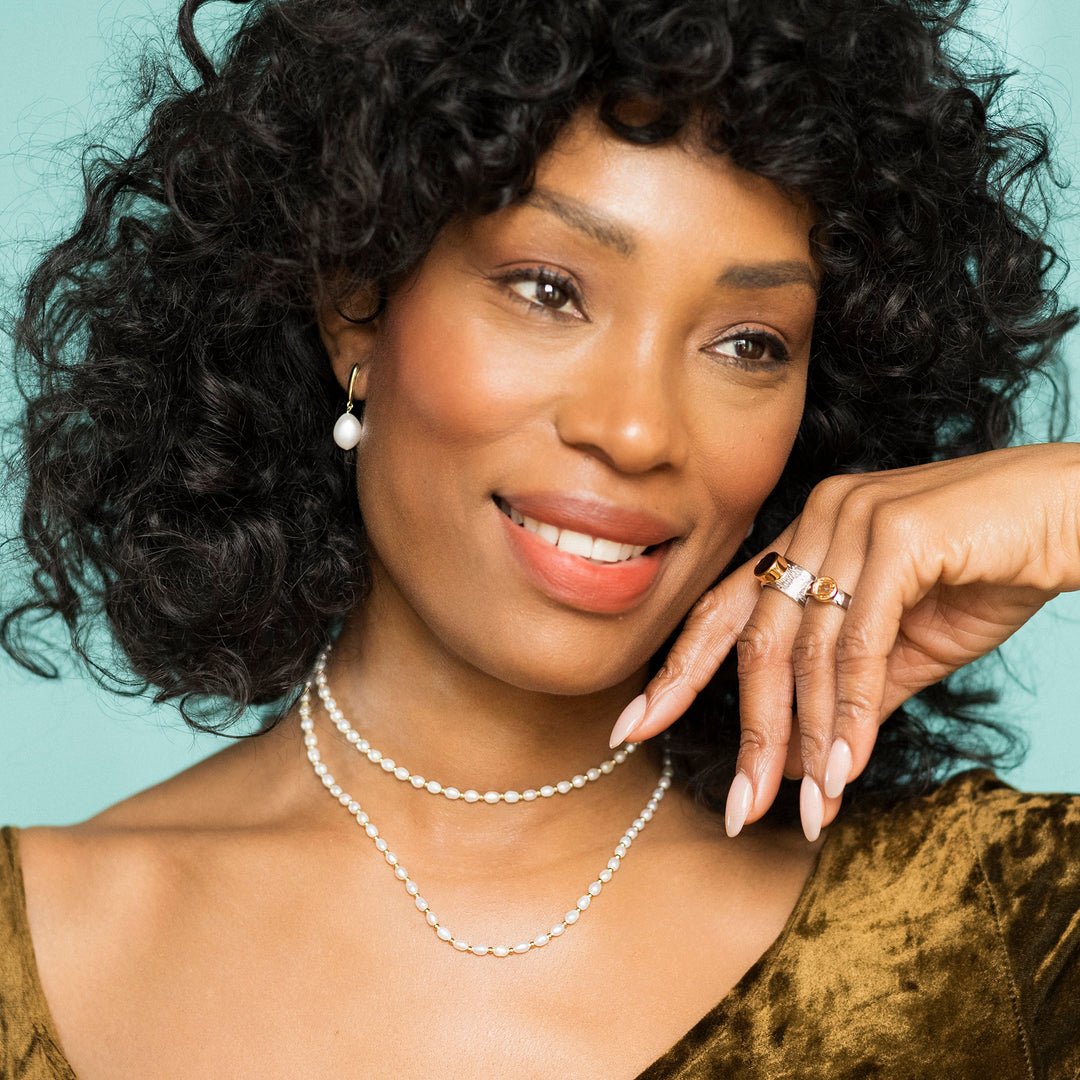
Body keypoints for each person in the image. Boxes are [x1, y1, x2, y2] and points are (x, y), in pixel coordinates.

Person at [2, 0, 1079, 1076]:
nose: (637, 431)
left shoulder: (1001, 923)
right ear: (356, 303)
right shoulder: (34, 951)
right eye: (548, 290)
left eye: (749, 343)